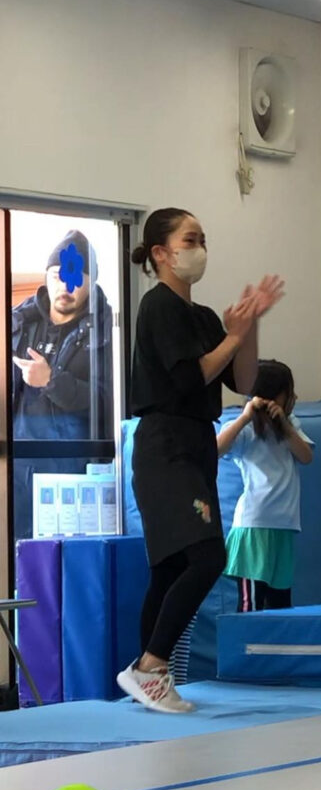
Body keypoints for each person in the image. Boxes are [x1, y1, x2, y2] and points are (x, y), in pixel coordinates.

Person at [116, 207, 285, 714]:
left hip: (195, 442)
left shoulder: (205, 317)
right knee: (207, 557)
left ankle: (151, 676)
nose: (200, 248)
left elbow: (244, 380)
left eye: (203, 239)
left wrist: (248, 328)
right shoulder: (158, 306)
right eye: (190, 239)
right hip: (165, 442)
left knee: (172, 566)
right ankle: (150, 667)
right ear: (161, 252)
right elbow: (190, 378)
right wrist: (233, 337)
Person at [10, 229, 113, 540]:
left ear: (91, 283)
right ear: (46, 277)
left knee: (67, 559)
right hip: (15, 470)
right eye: (58, 276)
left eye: (76, 277)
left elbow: (108, 401)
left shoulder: (108, 330)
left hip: (74, 475)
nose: (66, 286)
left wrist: (51, 381)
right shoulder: (17, 324)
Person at [217, 360, 313, 611]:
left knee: (280, 604)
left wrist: (284, 425)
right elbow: (216, 449)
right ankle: (245, 639)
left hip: (284, 525)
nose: (294, 398)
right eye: (289, 393)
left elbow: (306, 456)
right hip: (254, 526)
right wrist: (245, 416)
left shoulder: (291, 425)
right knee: (251, 605)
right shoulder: (247, 429)